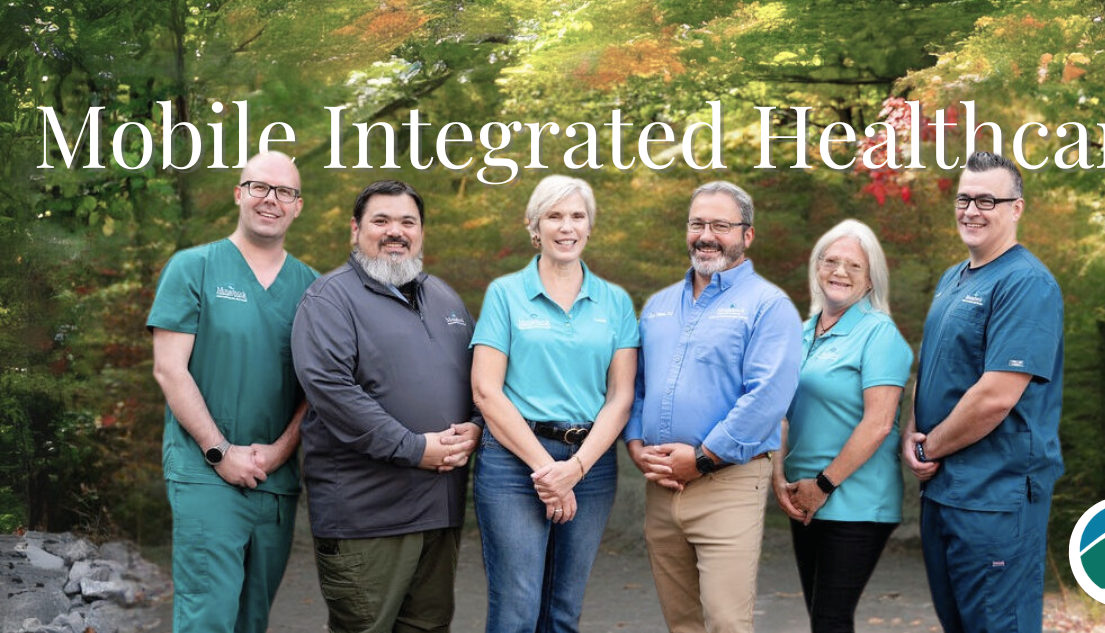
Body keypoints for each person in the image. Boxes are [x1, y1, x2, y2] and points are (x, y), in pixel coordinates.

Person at [291, 180, 481, 633]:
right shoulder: (329, 298)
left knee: (427, 628)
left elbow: (483, 381)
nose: (395, 231)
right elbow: (332, 389)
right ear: (355, 231)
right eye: (381, 220)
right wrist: (415, 448)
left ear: (420, 233)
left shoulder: (446, 299)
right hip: (366, 517)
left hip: (440, 512)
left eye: (407, 222)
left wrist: (477, 427)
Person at [148, 151, 318, 633]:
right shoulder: (193, 268)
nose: (272, 200)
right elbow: (169, 370)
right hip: (207, 475)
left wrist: (282, 451)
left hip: (276, 481)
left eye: (284, 191)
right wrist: (220, 451)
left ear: (298, 206)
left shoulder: (313, 289)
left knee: (252, 619)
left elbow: (318, 387)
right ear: (239, 193)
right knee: (209, 618)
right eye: (260, 187)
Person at [626, 181, 803, 633]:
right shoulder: (659, 307)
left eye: (721, 225)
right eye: (697, 224)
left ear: (747, 235)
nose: (706, 235)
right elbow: (635, 384)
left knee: (726, 621)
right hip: (661, 485)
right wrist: (635, 443)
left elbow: (767, 398)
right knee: (681, 622)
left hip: (728, 482)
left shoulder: (768, 306)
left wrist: (702, 459)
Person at [902, 151, 1064, 633]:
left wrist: (930, 446)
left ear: (1016, 209)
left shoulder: (1026, 283)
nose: (972, 210)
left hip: (996, 498)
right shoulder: (953, 278)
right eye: (964, 198)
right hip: (945, 493)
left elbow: (995, 396)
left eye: (988, 200)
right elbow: (933, 366)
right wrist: (911, 433)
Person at [470, 175, 638, 633]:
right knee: (517, 608)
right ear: (534, 225)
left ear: (590, 226)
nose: (567, 227)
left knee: (564, 610)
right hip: (514, 462)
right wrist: (549, 471)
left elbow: (620, 398)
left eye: (577, 216)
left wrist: (575, 470)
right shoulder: (505, 294)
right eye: (554, 216)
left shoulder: (615, 302)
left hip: (592, 464)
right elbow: (486, 391)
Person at [772, 219, 913, 633]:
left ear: (871, 280)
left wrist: (824, 484)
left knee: (831, 619)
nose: (840, 272)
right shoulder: (799, 334)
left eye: (854, 266)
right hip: (803, 495)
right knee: (823, 619)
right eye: (831, 261)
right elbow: (780, 411)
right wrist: (781, 476)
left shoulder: (879, 335)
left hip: (856, 501)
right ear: (817, 268)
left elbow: (879, 423)